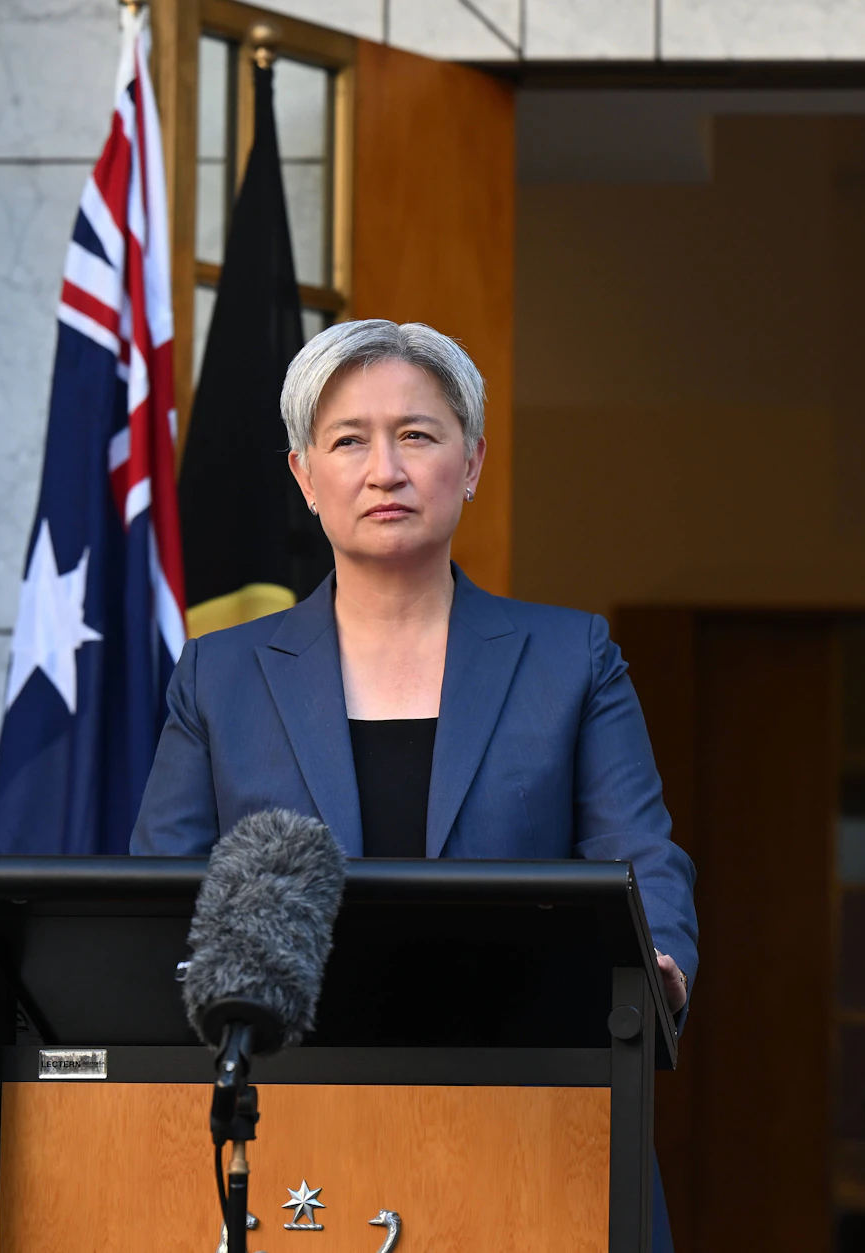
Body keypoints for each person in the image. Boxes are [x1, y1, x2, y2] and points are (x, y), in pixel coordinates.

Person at [131, 319, 694, 1247]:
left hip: (533, 1120)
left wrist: (659, 964)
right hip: (295, 1134)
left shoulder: (572, 657)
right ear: (304, 476)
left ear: (471, 462)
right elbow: (162, 895)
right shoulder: (219, 676)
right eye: (349, 440)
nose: (384, 471)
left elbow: (640, 853)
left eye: (417, 435)